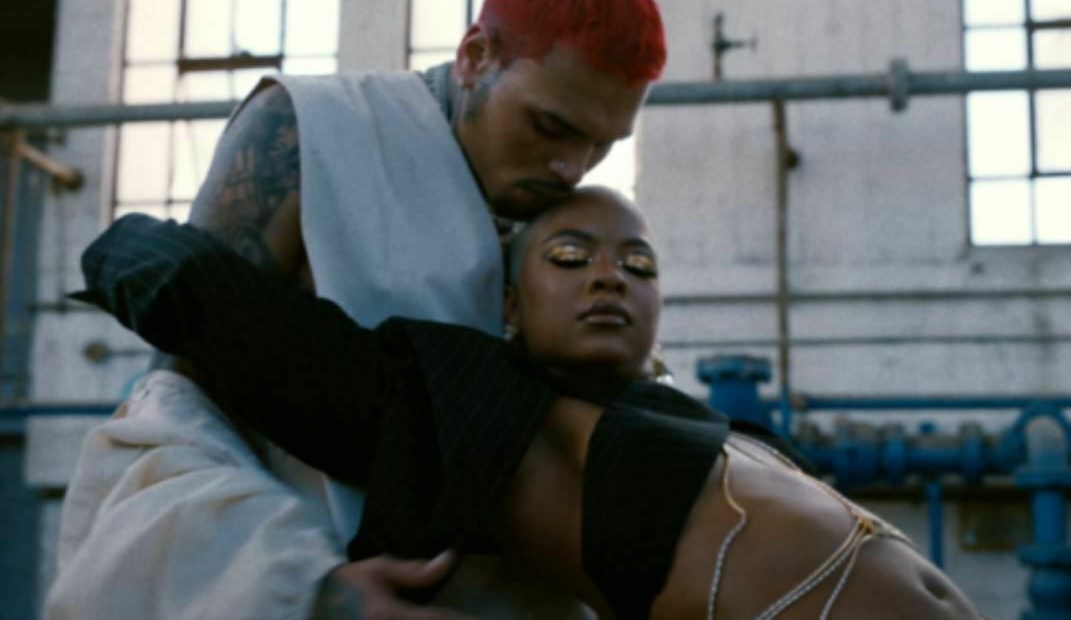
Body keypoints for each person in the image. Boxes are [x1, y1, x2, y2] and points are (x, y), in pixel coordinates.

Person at [45, 0, 665, 618]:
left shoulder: (562, 221)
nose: (572, 166)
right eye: (550, 126)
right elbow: (170, 417)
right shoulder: (313, 131)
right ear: (475, 56)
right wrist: (303, 588)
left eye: (603, 143)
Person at [75, 187, 985, 620]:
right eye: (570, 256)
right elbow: (166, 270)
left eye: (637, 264)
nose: (608, 276)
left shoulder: (706, 423)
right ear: (509, 304)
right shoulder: (463, 396)